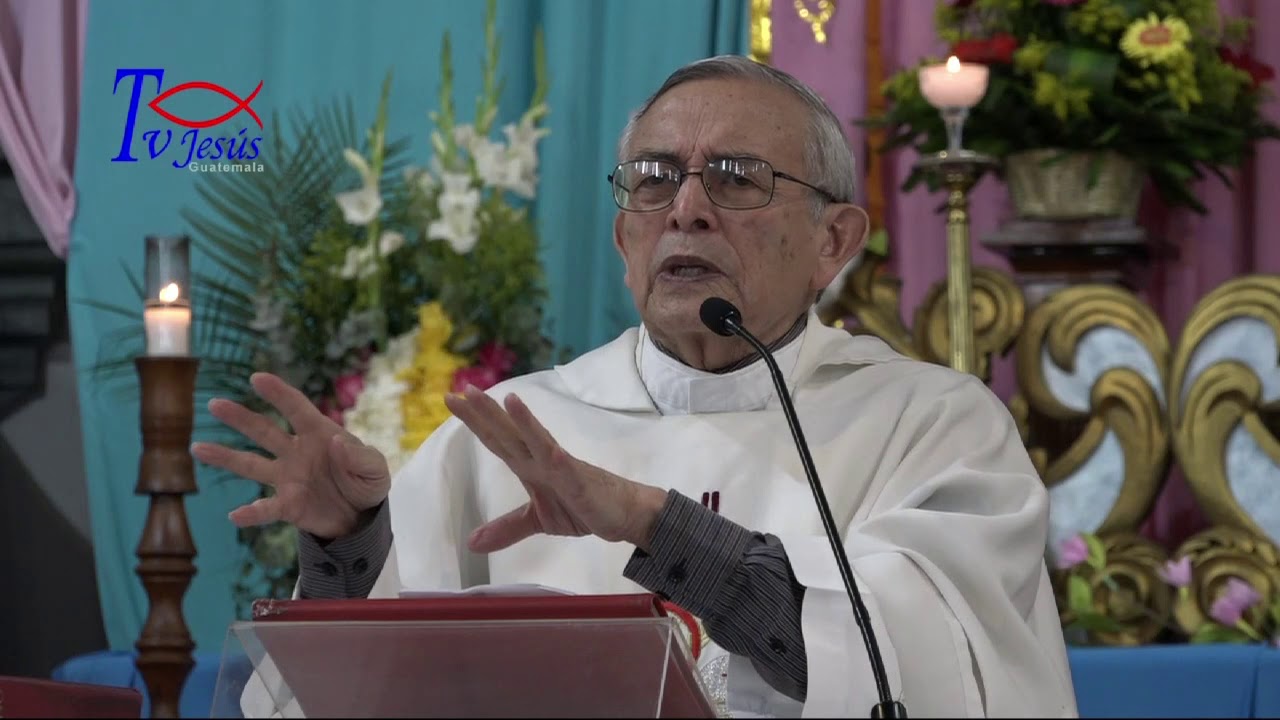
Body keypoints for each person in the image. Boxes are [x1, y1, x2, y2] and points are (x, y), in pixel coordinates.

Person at [195, 55, 1078, 718]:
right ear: (625, 241)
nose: (685, 208)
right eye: (654, 180)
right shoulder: (511, 434)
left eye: (737, 178)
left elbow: (921, 677)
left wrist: (656, 525)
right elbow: (342, 699)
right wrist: (347, 544)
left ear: (834, 242)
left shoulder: (933, 428)